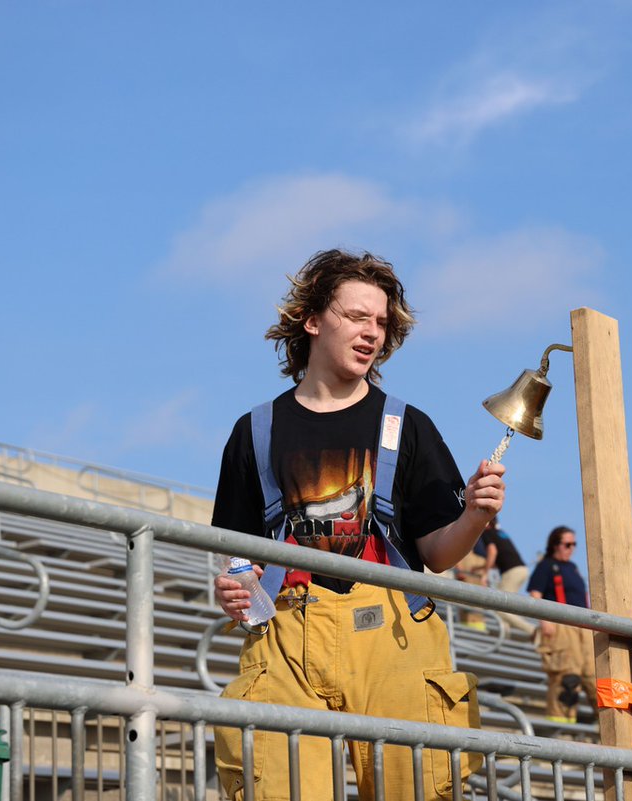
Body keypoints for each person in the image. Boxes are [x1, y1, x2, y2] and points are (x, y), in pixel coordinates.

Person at [210, 249, 507, 801]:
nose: (373, 332)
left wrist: (473, 515)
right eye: (356, 316)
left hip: (393, 630)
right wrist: (233, 586)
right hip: (286, 635)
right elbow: (236, 550)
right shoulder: (253, 430)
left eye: (381, 322)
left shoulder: (409, 425)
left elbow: (438, 555)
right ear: (314, 320)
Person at [527, 525, 596, 724]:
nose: (571, 548)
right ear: (555, 545)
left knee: (594, 678)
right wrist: (545, 620)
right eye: (567, 544)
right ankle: (560, 729)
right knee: (566, 679)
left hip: (584, 628)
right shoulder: (546, 565)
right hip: (562, 626)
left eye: (574, 544)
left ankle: (606, 730)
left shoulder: (573, 568)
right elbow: (535, 594)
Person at [480, 516, 534, 635]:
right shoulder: (500, 533)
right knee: (505, 607)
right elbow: (497, 559)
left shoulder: (487, 533)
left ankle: (533, 630)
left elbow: (492, 552)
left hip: (511, 571)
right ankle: (506, 635)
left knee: (499, 607)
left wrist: (484, 573)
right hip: (521, 569)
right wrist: (481, 567)